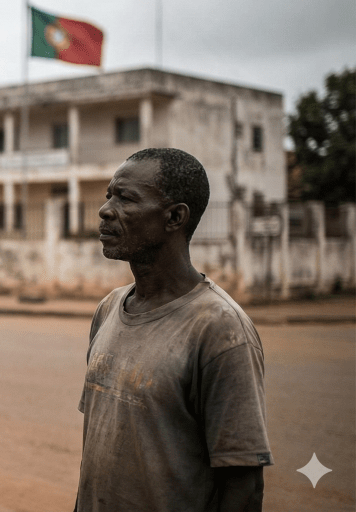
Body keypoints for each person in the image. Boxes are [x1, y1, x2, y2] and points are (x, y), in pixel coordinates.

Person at [75, 148, 272, 511]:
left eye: (126, 198)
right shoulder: (109, 309)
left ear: (174, 217)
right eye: (108, 196)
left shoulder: (220, 329)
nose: (105, 210)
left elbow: (243, 486)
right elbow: (97, 453)